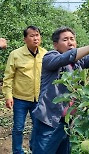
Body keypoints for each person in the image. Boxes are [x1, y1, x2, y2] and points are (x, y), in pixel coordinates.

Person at [32, 26, 89, 154]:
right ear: (56, 45)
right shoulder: (49, 57)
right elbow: (66, 57)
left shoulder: (78, 63)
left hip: (66, 124)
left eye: (72, 39)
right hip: (48, 122)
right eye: (65, 39)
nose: (70, 42)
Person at [2, 26, 47, 154]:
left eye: (37, 35)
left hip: (38, 98)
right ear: (25, 39)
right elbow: (8, 77)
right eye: (32, 36)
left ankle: (35, 149)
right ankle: (17, 151)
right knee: (18, 128)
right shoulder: (16, 54)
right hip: (20, 98)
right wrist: (8, 95)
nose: (35, 38)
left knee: (38, 127)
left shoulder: (45, 54)